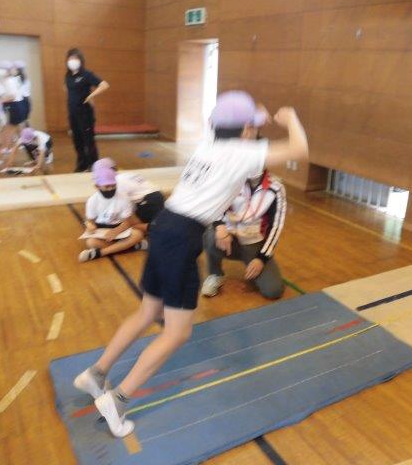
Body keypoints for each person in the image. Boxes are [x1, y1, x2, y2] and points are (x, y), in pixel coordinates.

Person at [72, 90, 308, 438]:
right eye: (252, 127)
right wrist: (290, 119)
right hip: (182, 238)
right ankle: (118, 400)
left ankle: (95, 373)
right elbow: (299, 149)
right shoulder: (243, 153)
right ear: (246, 129)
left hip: (164, 225)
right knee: (178, 332)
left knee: (147, 311)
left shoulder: (208, 144)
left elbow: (223, 123)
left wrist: (247, 115)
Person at [201, 169, 286, 299]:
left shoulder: (276, 188)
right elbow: (213, 205)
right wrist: (219, 225)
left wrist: (261, 258)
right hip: (228, 239)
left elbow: (276, 228)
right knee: (210, 235)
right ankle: (215, 274)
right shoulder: (230, 179)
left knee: (273, 290)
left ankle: (253, 266)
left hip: (254, 245)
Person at [79, 166, 147, 263]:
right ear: (97, 186)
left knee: (137, 234)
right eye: (107, 186)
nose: (111, 188)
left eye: (113, 185)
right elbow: (90, 221)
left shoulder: (123, 198)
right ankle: (131, 246)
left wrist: (116, 231)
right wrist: (90, 226)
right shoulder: (92, 201)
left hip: (120, 229)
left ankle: (101, 253)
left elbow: (128, 222)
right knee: (91, 242)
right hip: (102, 230)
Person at [92, 157, 165, 236]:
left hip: (147, 201)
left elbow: (124, 205)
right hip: (158, 196)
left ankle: (157, 229)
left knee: (129, 225)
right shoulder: (127, 175)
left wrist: (118, 229)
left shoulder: (116, 182)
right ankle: (155, 228)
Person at [64, 48, 109, 172]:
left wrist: (91, 96)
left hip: (85, 114)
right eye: (71, 58)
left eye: (75, 58)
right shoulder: (68, 76)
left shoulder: (87, 74)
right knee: (77, 141)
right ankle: (82, 164)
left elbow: (104, 85)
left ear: (80, 60)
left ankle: (94, 166)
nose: (73, 61)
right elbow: (68, 90)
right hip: (72, 114)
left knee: (88, 140)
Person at [12, 60, 31, 124]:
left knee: (19, 123)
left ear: (17, 70)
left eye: (13, 68)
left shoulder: (14, 80)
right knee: (24, 121)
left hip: (20, 102)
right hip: (27, 100)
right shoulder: (25, 78)